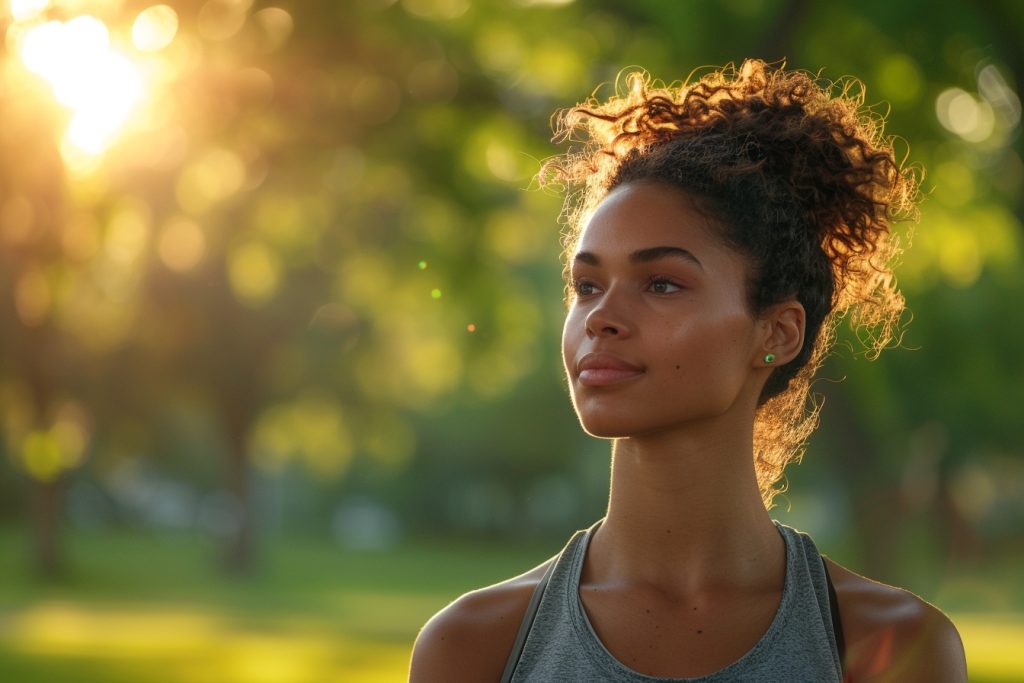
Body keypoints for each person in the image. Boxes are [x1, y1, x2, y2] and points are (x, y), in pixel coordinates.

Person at [409, 59, 968, 682]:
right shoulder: (474, 647)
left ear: (776, 333)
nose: (601, 318)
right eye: (587, 285)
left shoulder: (892, 645)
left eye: (662, 284)